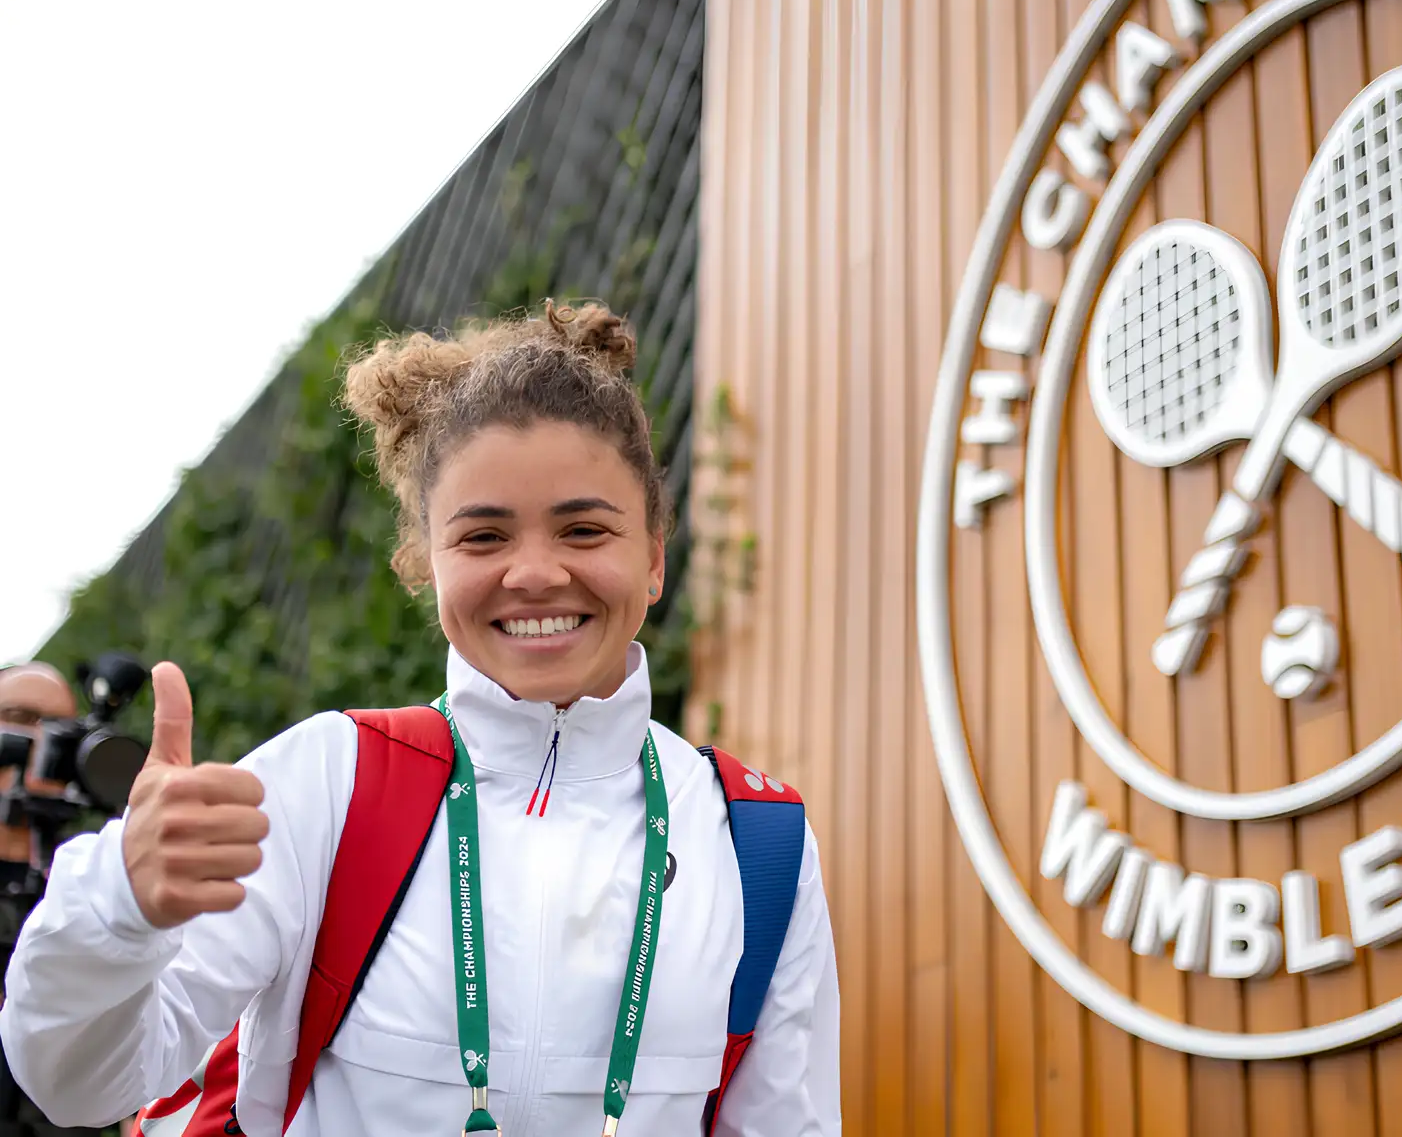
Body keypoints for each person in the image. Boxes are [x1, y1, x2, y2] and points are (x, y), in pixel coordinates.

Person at [0, 302, 841, 1134]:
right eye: (483, 539)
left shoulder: (754, 843)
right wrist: (119, 903)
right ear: (423, 565)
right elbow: (80, 1087)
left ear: (653, 559)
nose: (536, 574)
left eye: (584, 529)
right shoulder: (326, 781)